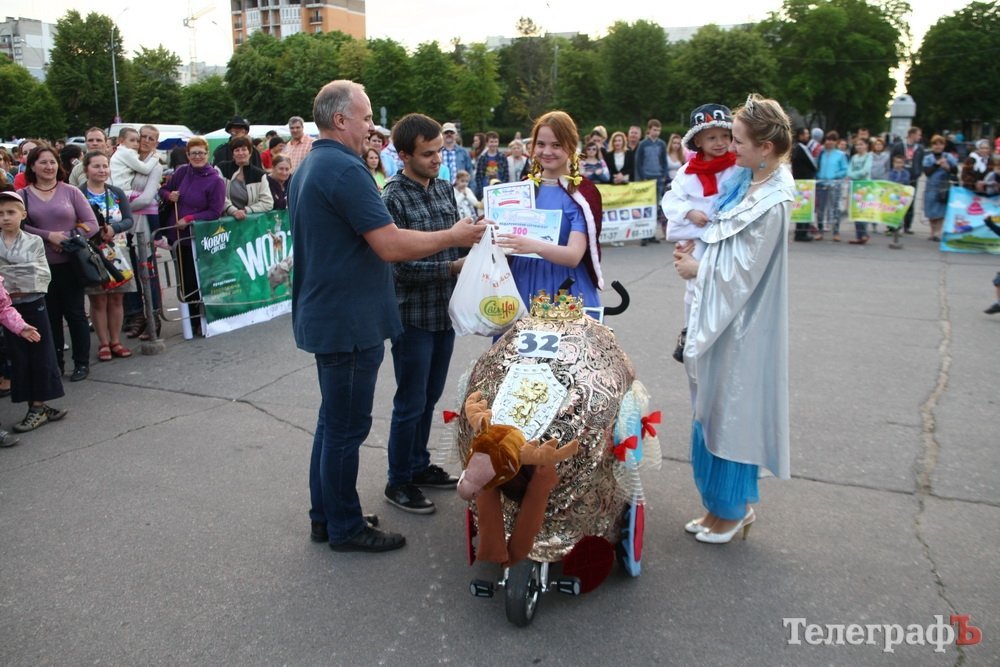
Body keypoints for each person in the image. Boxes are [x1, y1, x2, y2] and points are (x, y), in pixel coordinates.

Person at [287, 80, 484, 553]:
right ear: (340, 120)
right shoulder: (344, 170)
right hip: (348, 322)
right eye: (366, 114)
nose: (373, 125)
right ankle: (345, 527)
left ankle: (329, 515)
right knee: (346, 429)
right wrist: (452, 236)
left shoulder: (313, 163)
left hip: (333, 315)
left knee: (333, 425)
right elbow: (391, 243)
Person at [672, 93, 792, 544]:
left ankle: (734, 509)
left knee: (731, 412)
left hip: (742, 325)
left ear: (765, 147)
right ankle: (717, 507)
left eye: (739, 139)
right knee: (711, 409)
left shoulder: (773, 199)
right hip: (721, 318)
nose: (730, 148)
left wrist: (698, 268)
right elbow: (716, 232)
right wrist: (692, 247)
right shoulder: (747, 181)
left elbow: (746, 272)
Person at [381, 113, 470, 514]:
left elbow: (454, 243)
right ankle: (398, 480)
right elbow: (397, 264)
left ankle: (418, 464)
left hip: (443, 313)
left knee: (430, 396)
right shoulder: (392, 197)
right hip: (411, 315)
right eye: (428, 153)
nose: (437, 159)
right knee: (410, 401)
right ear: (403, 155)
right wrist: (451, 266)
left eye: (440, 151)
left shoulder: (444, 189)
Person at [496, 111, 604, 309]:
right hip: (521, 282)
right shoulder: (523, 188)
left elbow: (573, 256)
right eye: (541, 144)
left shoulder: (580, 193)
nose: (547, 151)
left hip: (565, 287)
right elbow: (503, 241)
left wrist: (533, 246)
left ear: (571, 146)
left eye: (556, 145)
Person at [662, 103, 741, 363]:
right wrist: (688, 212)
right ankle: (690, 330)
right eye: (712, 137)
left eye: (725, 136)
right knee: (695, 286)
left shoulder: (738, 168)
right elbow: (671, 201)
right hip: (697, 238)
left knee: (725, 285)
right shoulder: (687, 173)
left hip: (727, 236)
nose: (720, 143)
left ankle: (725, 335)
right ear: (698, 140)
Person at [18, 144, 99, 382]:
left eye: (52, 162)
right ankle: (55, 364)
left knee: (75, 314)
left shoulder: (71, 191)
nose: (48, 166)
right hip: (40, 266)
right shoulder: (22, 195)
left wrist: (67, 237)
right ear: (32, 165)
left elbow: (91, 223)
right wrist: (48, 235)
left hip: (71, 263)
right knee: (49, 317)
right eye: (42, 162)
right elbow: (19, 225)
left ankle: (81, 364)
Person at [0, 190, 64, 441]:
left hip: (33, 302)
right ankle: (32, 403)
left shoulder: (33, 241)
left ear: (23, 214)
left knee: (40, 351)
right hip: (7, 309)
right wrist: (16, 275)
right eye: (1, 214)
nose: (5, 218)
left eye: (11, 212)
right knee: (17, 356)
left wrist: (8, 274)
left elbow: (38, 276)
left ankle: (39, 403)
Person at [158, 137, 226, 335]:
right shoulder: (181, 173)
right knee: (184, 279)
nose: (197, 157)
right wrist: (168, 196)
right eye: (193, 153)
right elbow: (163, 189)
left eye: (201, 153)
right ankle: (190, 320)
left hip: (199, 238)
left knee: (199, 279)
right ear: (187, 155)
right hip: (178, 237)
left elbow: (215, 211)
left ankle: (202, 319)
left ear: (207, 155)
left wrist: (190, 218)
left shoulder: (215, 180)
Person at [79, 150, 136, 361]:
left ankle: (115, 340)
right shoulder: (78, 193)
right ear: (86, 169)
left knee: (117, 298)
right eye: (96, 166)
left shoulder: (116, 192)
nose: (102, 170)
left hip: (117, 251)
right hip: (91, 254)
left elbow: (129, 220)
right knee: (98, 300)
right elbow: (72, 222)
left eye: (105, 166)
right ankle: (103, 343)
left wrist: (114, 228)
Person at [123, 125, 166, 341]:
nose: (146, 141)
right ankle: (138, 315)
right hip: (125, 226)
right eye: (143, 137)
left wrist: (121, 206)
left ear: (156, 142)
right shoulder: (129, 161)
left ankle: (154, 317)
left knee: (147, 272)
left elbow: (147, 198)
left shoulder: (155, 166)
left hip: (142, 224)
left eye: (151, 138)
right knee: (129, 272)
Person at [219, 136, 274, 220]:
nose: (241, 153)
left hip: (249, 223)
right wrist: (233, 211)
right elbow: (218, 196)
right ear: (232, 154)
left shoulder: (259, 174)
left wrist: (246, 210)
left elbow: (268, 203)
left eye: (244, 149)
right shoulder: (221, 168)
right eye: (237, 150)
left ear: (250, 152)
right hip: (225, 221)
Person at [635, 119, 668, 244]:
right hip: (646, 178)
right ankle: (644, 234)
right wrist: (641, 177)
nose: (657, 132)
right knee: (646, 207)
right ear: (649, 130)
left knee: (655, 207)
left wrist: (664, 175)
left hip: (658, 177)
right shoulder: (643, 144)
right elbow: (638, 162)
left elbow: (663, 161)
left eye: (658, 130)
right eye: (654, 130)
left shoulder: (661, 144)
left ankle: (652, 233)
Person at [922, 135, 958, 242]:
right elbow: (927, 172)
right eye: (935, 144)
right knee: (931, 211)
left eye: (940, 144)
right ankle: (932, 231)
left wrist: (948, 167)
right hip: (931, 186)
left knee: (941, 210)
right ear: (932, 145)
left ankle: (938, 232)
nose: (938, 146)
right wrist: (936, 165)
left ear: (944, 145)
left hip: (944, 186)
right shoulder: (927, 158)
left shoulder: (949, 157)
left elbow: (955, 171)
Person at [890, 127, 924, 235]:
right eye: (918, 134)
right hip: (898, 178)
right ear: (912, 134)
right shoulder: (899, 146)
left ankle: (907, 226)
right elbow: (892, 159)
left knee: (910, 202)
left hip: (912, 178)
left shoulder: (919, 148)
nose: (920, 137)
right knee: (896, 201)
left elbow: (920, 161)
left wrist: (918, 173)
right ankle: (893, 224)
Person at [815, 131, 848, 241]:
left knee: (835, 209)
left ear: (836, 142)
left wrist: (835, 176)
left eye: (832, 140)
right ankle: (820, 231)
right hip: (821, 184)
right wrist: (818, 176)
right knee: (820, 209)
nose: (829, 142)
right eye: (828, 139)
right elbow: (816, 166)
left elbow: (844, 169)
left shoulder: (840, 155)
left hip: (835, 184)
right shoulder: (821, 154)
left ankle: (836, 232)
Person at [790, 127, 818, 241]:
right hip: (805, 182)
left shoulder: (796, 147)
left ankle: (800, 231)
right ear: (800, 135)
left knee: (802, 207)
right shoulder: (802, 148)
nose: (808, 136)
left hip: (800, 182)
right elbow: (813, 164)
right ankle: (802, 233)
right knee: (804, 208)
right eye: (806, 134)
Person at [847, 137, 873, 244]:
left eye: (861, 144)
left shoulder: (869, 156)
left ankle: (864, 233)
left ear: (866, 145)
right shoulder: (854, 157)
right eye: (857, 145)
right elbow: (848, 171)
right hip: (854, 186)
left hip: (865, 186)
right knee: (856, 211)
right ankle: (859, 235)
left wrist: (853, 175)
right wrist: (852, 175)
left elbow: (865, 171)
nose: (859, 147)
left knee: (863, 210)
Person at [472, 131, 509, 198]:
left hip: (500, 189)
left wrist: (504, 188)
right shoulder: (482, 158)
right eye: (491, 142)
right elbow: (478, 176)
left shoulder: (502, 157)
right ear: (487, 143)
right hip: (485, 189)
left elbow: (506, 175)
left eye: (496, 142)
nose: (494, 144)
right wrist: (481, 191)